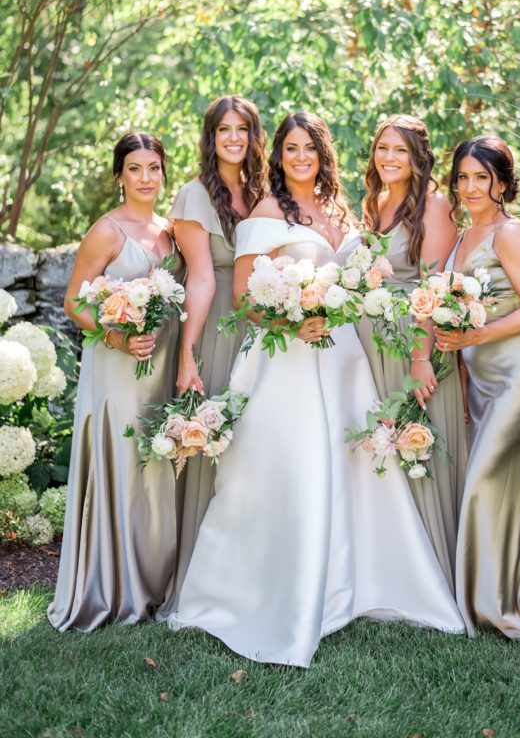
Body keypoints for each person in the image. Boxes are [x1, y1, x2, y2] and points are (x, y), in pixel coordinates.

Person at [169, 112, 464, 666]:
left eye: (309, 148)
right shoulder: (265, 212)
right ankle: (276, 591)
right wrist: (292, 320)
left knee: (352, 466)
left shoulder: (341, 209)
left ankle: (359, 581)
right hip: (289, 362)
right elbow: (247, 298)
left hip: (348, 359)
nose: (300, 157)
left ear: (322, 154)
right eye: (290, 149)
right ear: (277, 157)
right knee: (297, 471)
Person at [48, 133, 179, 631]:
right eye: (134, 169)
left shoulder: (169, 231)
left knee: (157, 466)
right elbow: (73, 301)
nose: (145, 178)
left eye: (153, 168)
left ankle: (155, 580)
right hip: (119, 367)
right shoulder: (106, 231)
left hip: (161, 364)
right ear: (119, 176)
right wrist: (117, 335)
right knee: (125, 463)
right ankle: (115, 586)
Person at [434, 136, 520, 642]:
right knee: (499, 489)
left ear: (501, 182)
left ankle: (502, 607)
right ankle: (499, 594)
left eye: (481, 177)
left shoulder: (510, 233)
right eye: (462, 177)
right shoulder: (461, 236)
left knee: (487, 483)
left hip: (518, 376)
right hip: (479, 378)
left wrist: (475, 335)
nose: (470, 187)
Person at [159, 96, 267, 615]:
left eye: (241, 129)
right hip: (219, 324)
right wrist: (188, 356)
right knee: (215, 443)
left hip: (265, 324)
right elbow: (200, 278)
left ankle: (253, 574)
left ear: (253, 136)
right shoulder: (195, 195)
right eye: (223, 129)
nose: (233, 138)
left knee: (256, 446)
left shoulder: (263, 191)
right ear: (210, 136)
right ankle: (200, 584)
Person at [359, 114, 466, 591]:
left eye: (400, 150)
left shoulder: (435, 206)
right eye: (383, 148)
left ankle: (438, 572)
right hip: (375, 344)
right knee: (388, 443)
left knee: (423, 441)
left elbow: (434, 288)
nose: (389, 158)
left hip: (414, 342)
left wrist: (422, 358)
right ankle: (393, 570)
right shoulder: (374, 202)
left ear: (418, 156)